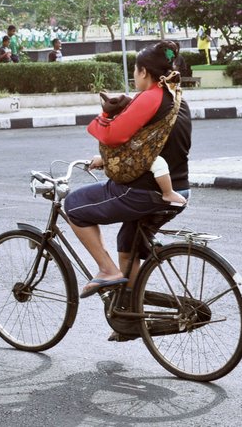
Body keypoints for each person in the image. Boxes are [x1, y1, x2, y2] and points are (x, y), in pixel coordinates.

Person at [63, 40, 191, 300]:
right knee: (127, 244)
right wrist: (107, 160)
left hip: (144, 192)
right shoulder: (176, 98)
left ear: (144, 72)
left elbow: (113, 136)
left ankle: (106, 270)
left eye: (135, 70)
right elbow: (148, 145)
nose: (134, 76)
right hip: (179, 188)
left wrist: (105, 115)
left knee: (74, 205)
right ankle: (131, 313)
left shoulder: (151, 97)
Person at [98, 92, 187, 206]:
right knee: (158, 163)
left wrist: (102, 159)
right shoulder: (122, 124)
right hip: (126, 161)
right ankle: (168, 192)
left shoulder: (106, 125)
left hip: (116, 160)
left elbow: (113, 149)